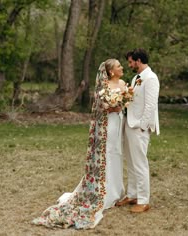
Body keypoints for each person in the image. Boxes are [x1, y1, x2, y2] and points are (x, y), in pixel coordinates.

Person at [32, 59, 127, 229]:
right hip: (109, 125)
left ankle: (117, 190)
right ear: (111, 71)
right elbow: (103, 106)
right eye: (119, 66)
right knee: (108, 154)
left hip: (120, 123)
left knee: (117, 153)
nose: (122, 68)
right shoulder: (103, 88)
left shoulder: (123, 83)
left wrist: (123, 102)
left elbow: (126, 101)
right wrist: (113, 105)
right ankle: (105, 192)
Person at [116, 48, 160, 213]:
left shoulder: (151, 78)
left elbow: (150, 105)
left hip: (139, 127)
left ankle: (143, 200)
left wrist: (142, 126)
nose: (129, 65)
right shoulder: (136, 78)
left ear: (139, 60)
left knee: (140, 163)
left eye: (131, 61)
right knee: (131, 161)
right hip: (129, 124)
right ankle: (132, 194)